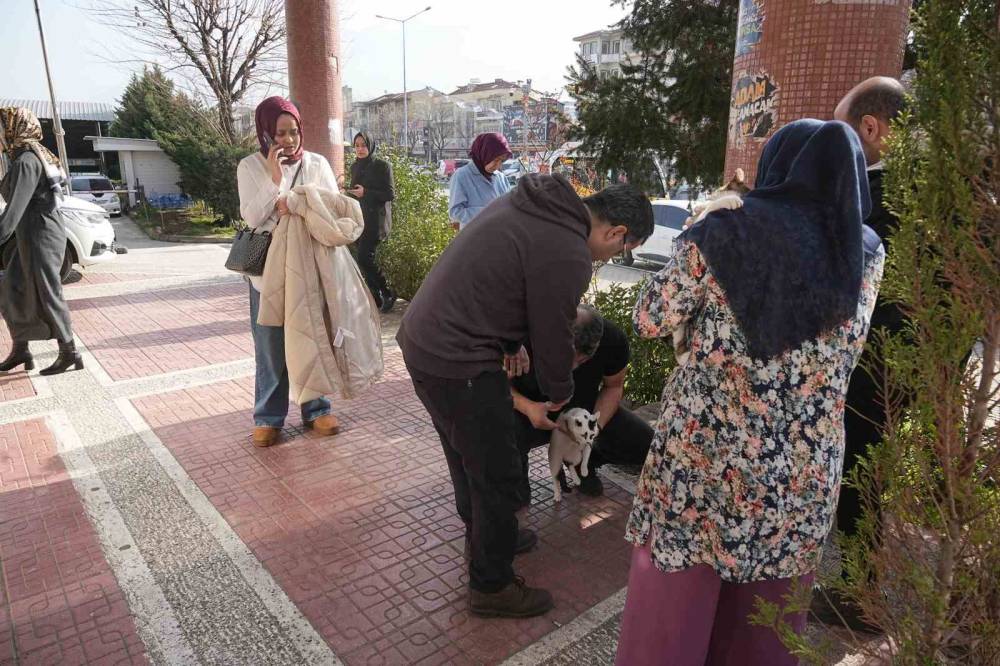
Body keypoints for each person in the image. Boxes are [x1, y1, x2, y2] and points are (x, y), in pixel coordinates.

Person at [616, 120, 885, 665]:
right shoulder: (865, 251)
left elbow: (649, 317)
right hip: (800, 479)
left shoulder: (723, 231)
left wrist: (702, 221)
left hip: (703, 465)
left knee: (669, 628)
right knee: (764, 633)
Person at [398, 175, 653, 618]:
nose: (615, 256)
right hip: (458, 359)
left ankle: (487, 538)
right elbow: (555, 334)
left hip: (425, 342)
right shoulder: (569, 250)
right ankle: (492, 585)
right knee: (495, 472)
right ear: (615, 232)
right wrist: (560, 397)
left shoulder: (531, 204)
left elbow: (506, 282)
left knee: (467, 456)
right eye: (621, 249)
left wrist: (511, 341)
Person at [824, 75, 909, 629]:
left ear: (870, 129)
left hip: (873, 363)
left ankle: (860, 595)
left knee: (861, 470)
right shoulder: (930, 191)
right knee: (870, 469)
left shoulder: (874, 197)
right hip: (909, 363)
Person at [236, 96, 341, 447]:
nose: (288, 140)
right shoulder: (250, 167)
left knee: (313, 334)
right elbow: (252, 217)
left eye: (293, 132)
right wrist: (274, 178)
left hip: (309, 265)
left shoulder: (317, 163)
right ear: (266, 133)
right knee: (270, 344)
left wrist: (298, 205)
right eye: (280, 133)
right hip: (267, 271)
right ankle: (268, 415)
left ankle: (317, 408)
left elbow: (331, 207)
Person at [511, 304, 653, 501]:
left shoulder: (613, 339)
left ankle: (584, 462)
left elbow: (614, 387)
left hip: (583, 414)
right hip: (530, 413)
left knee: (646, 446)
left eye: (582, 362)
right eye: (564, 360)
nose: (571, 369)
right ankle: (516, 486)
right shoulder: (525, 335)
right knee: (514, 492)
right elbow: (496, 384)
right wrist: (528, 408)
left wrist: (594, 431)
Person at [0, 107, 83, 376]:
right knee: (11, 289)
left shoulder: (27, 161)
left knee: (48, 292)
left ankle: (70, 352)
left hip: (41, 235)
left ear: (15, 127)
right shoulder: (22, 158)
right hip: (27, 235)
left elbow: (14, 209)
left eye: (3, 127)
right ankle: (21, 350)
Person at [347, 132, 396, 313]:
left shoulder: (383, 166)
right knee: (362, 259)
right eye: (357, 145)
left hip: (376, 221)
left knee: (364, 257)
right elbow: (356, 192)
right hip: (359, 219)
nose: (360, 149)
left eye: (363, 145)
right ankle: (374, 297)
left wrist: (365, 192)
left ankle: (388, 291)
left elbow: (389, 194)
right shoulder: (354, 167)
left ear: (371, 145)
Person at [448, 133, 512, 230]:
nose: (498, 166)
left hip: (500, 237)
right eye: (496, 160)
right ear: (484, 154)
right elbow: (455, 212)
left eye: (502, 161)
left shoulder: (501, 178)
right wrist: (489, 213)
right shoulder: (461, 176)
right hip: (474, 239)